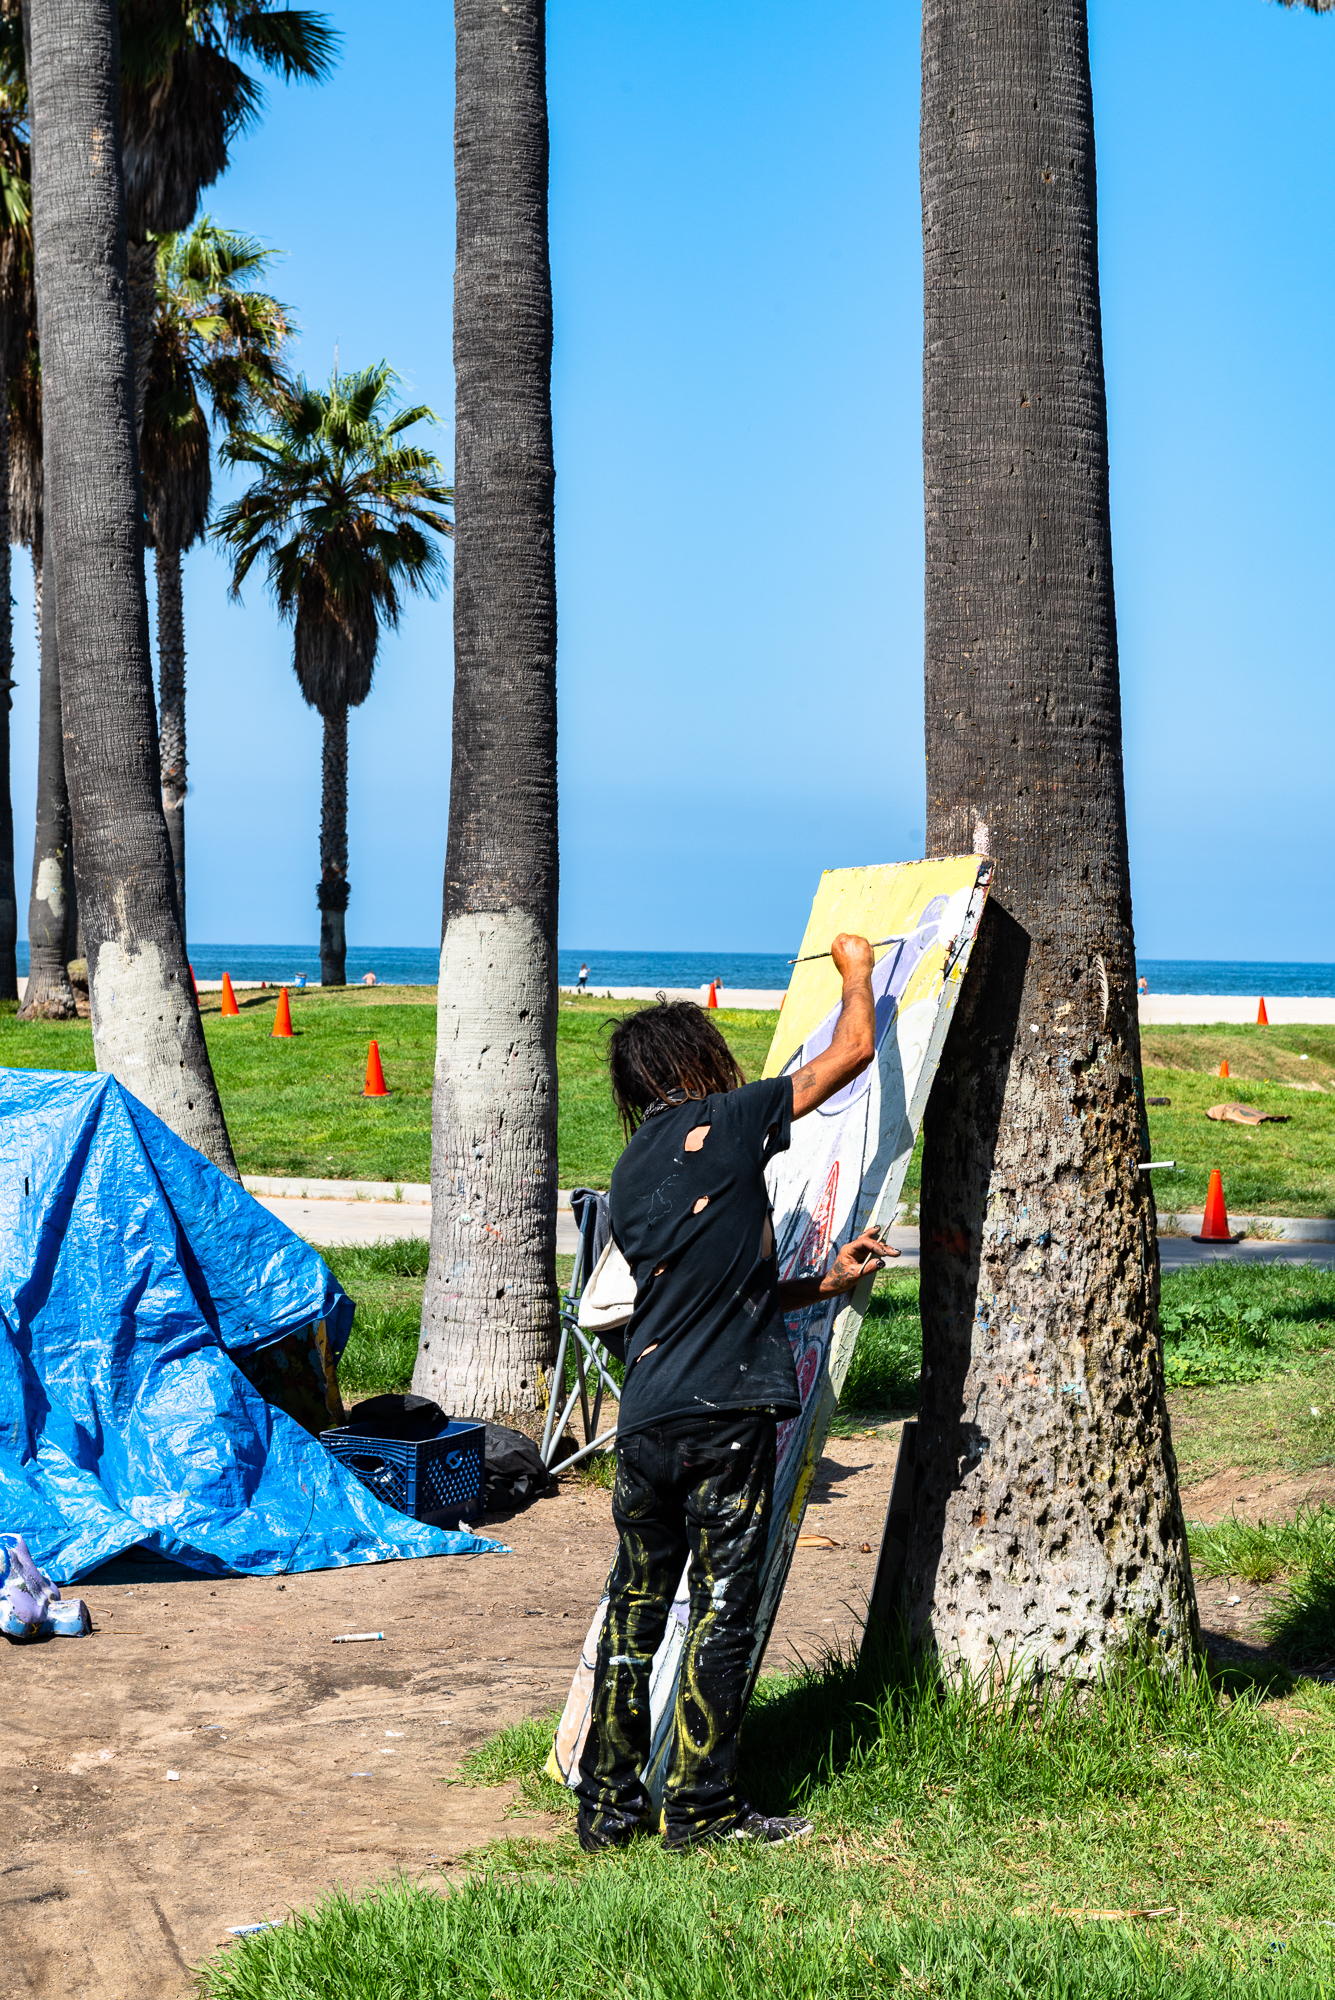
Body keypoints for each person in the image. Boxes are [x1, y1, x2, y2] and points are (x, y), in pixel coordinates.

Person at [575, 933, 895, 1854]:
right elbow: (852, 1053)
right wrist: (856, 974)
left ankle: (608, 1813)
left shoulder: (637, 1168)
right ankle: (703, 1811)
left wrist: (817, 1285)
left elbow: (702, 1287)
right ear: (697, 1063)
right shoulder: (728, 1118)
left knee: (637, 1613)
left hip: (649, 1416)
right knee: (722, 1607)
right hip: (723, 1415)